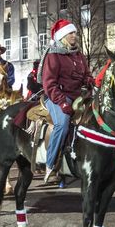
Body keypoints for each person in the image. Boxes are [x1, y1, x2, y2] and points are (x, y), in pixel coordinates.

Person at [40, 19, 95, 181]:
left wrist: (90, 81)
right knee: (62, 124)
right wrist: (62, 102)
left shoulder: (78, 54)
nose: (74, 35)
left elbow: (86, 74)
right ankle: (51, 162)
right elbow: (49, 83)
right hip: (58, 97)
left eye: (75, 33)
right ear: (63, 36)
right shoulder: (53, 55)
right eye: (71, 33)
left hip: (79, 96)